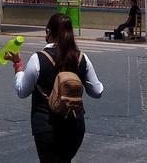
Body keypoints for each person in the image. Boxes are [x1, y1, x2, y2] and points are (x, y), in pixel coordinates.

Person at [6, 13, 103, 163]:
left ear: (48, 32)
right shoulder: (82, 58)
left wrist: (18, 65)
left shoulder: (38, 58)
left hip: (46, 127)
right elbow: (97, 92)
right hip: (75, 126)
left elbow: (22, 91)